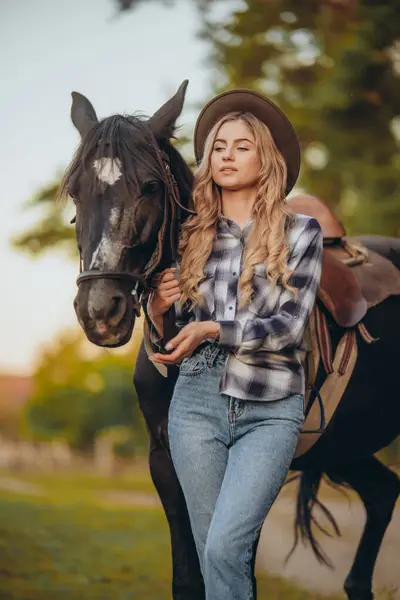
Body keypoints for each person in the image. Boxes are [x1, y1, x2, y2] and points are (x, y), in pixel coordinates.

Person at [146, 89, 323, 600]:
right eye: (218, 146)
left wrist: (212, 328)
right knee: (210, 554)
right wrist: (158, 314)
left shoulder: (300, 233)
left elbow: (290, 325)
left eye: (241, 146)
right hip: (195, 406)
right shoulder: (186, 236)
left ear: (265, 158)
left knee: (226, 547)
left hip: (270, 406)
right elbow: (167, 341)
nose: (225, 154)